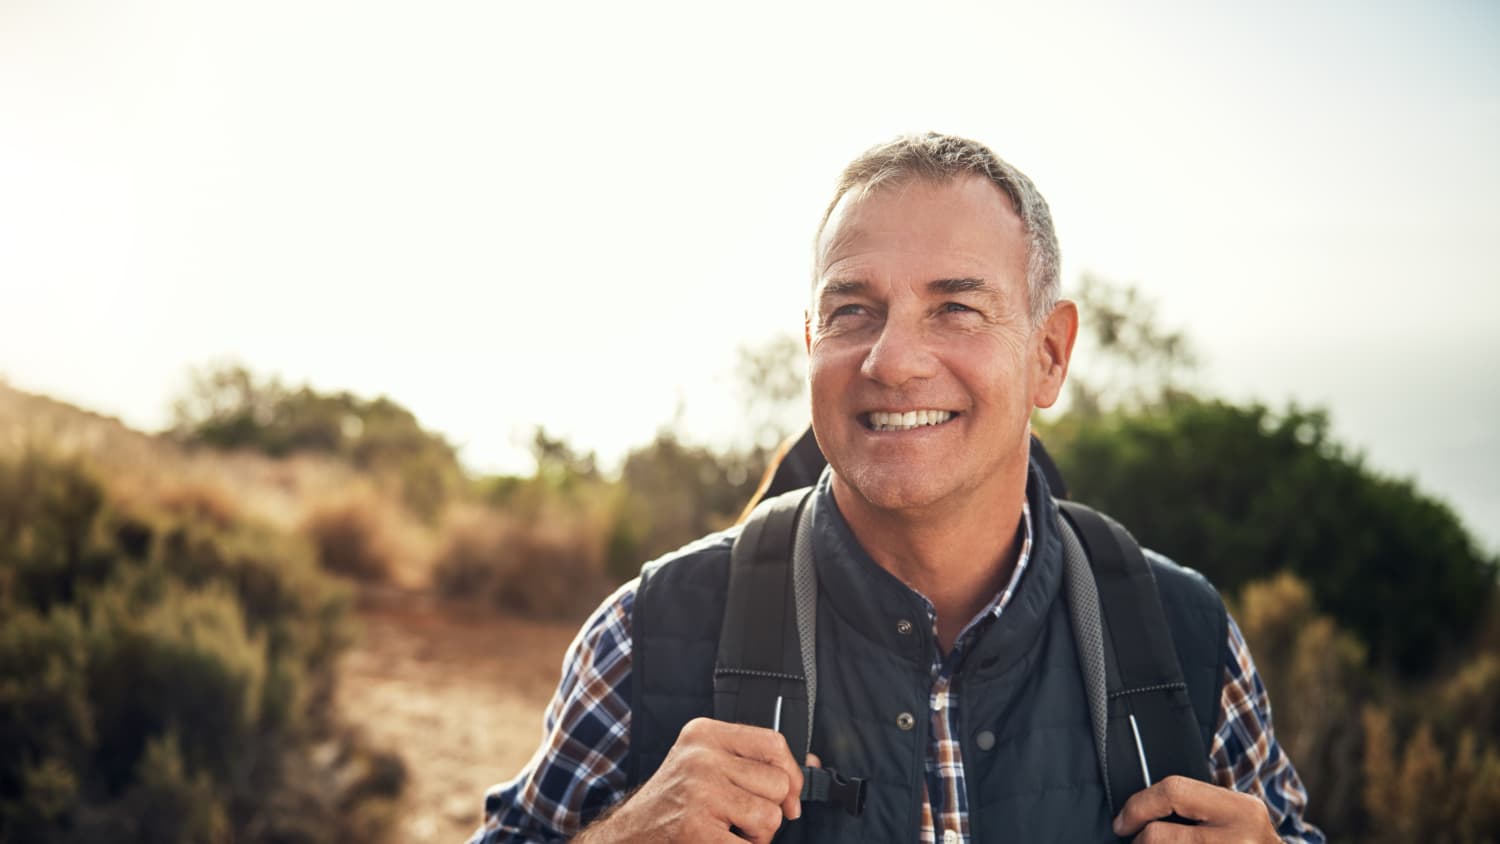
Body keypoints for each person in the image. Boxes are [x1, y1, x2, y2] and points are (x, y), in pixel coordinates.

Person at [468, 133, 1324, 843]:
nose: (892, 360)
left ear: (1049, 354)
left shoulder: (1185, 637)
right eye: (852, 311)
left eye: (956, 308)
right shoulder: (645, 635)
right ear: (812, 343)